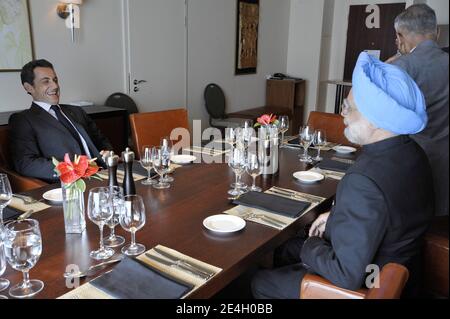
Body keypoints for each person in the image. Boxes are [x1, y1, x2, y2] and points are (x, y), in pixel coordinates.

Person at [251, 52, 434, 299]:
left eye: (348, 107)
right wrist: (337, 215)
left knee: (259, 281)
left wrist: (309, 245)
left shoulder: (364, 181)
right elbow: (386, 213)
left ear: (376, 120)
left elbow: (346, 274)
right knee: (284, 248)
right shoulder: (413, 154)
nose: (342, 114)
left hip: (369, 284)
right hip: (402, 273)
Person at [8, 59, 112, 183]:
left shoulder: (77, 111)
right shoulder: (24, 120)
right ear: (29, 87)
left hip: (106, 174)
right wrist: (69, 170)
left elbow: (101, 140)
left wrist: (107, 153)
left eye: (55, 80)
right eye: (46, 81)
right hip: (71, 184)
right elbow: (26, 163)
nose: (55, 86)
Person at [389, 4, 448, 216]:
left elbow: (386, 122)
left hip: (412, 170)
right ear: (437, 32)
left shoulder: (401, 68)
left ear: (400, 36)